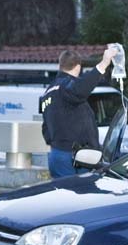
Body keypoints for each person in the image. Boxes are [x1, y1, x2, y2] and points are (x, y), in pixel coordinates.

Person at [40, 47, 118, 178]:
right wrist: (104, 63)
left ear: (60, 66)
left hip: (57, 154)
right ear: (78, 67)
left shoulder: (48, 92)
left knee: (62, 196)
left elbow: (45, 128)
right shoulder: (67, 85)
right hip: (74, 157)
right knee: (79, 196)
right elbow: (80, 89)